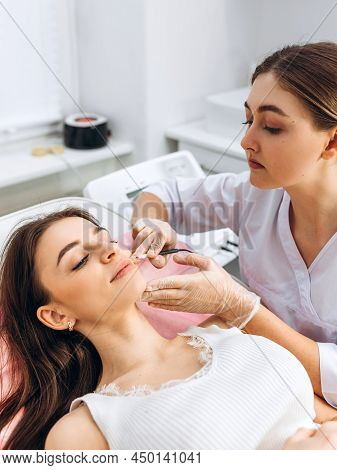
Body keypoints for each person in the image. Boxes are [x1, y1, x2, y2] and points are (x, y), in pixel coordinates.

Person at [1, 208, 337, 450]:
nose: (108, 252)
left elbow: (325, 414)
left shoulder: (224, 328)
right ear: (57, 316)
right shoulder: (85, 431)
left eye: (105, 241)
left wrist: (234, 304)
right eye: (80, 260)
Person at [131, 42, 337, 408]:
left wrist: (240, 307)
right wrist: (151, 223)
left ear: (331, 140)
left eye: (271, 127)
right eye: (249, 120)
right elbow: (162, 196)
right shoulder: (258, 196)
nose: (246, 141)